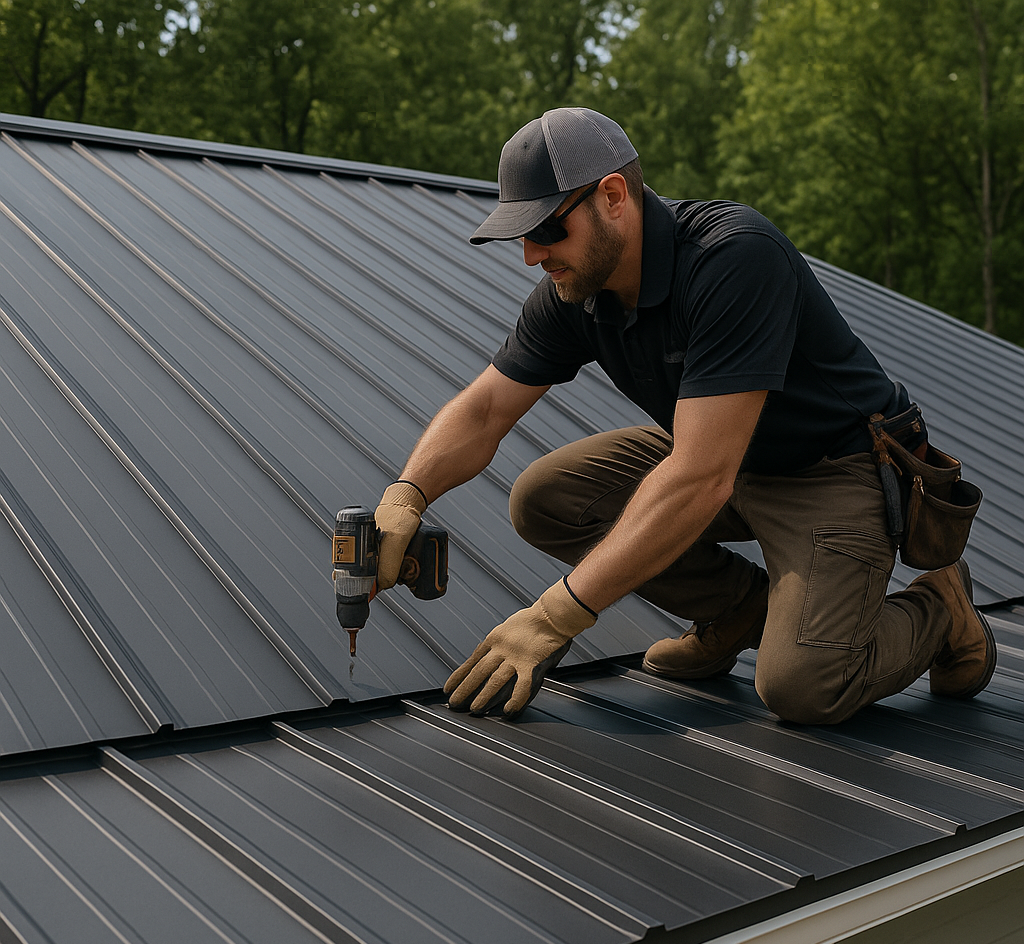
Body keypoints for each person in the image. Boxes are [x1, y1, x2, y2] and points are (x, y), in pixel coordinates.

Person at [372, 107, 996, 724]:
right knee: (546, 499)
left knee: (803, 687)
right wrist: (408, 493)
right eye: (521, 236)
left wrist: (552, 617)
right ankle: (739, 612)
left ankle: (940, 605)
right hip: (722, 452)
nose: (532, 256)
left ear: (612, 195)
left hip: (833, 467)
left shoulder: (733, 257)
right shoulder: (575, 291)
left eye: (547, 230)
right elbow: (484, 410)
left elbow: (700, 476)